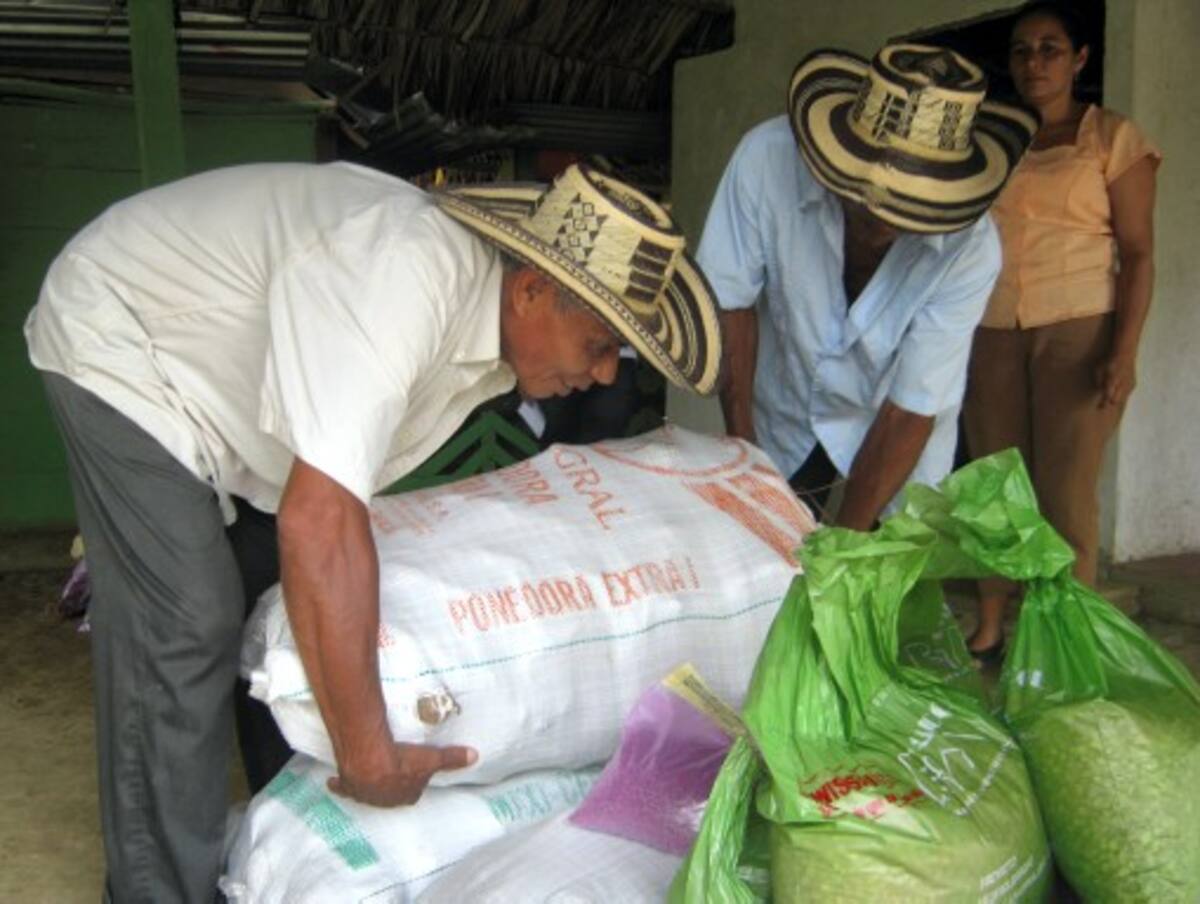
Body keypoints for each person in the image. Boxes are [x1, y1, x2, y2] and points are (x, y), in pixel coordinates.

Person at [24, 160, 721, 903]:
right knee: (186, 622)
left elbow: (329, 511)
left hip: (225, 401)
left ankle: (279, 836)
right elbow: (319, 518)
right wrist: (364, 752)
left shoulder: (487, 335)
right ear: (529, 291)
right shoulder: (405, 279)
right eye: (599, 344)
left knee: (275, 597)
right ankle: (152, 892)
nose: (609, 375)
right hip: (123, 338)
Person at [698, 43, 1038, 530]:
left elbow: (912, 407)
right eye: (865, 203)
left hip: (895, 437)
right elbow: (729, 302)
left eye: (905, 212)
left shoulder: (972, 248)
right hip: (786, 407)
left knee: (877, 579)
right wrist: (746, 455)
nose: (880, 224)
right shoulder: (767, 160)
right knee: (764, 553)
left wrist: (847, 545)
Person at [963, 0, 1160, 664]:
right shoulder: (989, 140)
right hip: (991, 325)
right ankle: (990, 625)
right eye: (1022, 50)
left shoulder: (1112, 138)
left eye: (1050, 48)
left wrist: (1123, 353)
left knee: (1065, 493)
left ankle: (1070, 646)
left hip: (1079, 327)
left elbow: (1137, 253)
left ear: (1079, 59)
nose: (1034, 61)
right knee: (995, 483)